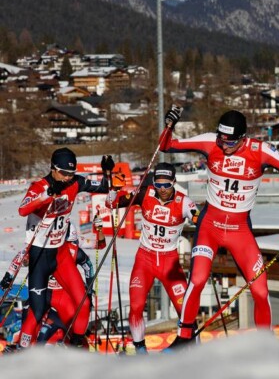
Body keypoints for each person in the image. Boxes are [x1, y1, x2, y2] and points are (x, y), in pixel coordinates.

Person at [160, 108, 279, 347]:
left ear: (242, 138)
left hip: (240, 231)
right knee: (197, 280)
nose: (224, 144)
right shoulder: (211, 142)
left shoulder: (260, 151)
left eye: (229, 140)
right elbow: (166, 146)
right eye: (221, 138)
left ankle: (264, 345)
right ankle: (183, 338)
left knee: (260, 291)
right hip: (210, 226)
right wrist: (169, 125)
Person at [16, 149, 113, 349]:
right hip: (40, 254)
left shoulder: (75, 182)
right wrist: (46, 195)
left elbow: (103, 187)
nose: (68, 178)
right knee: (38, 309)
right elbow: (22, 209)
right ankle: (21, 354)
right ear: (53, 169)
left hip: (60, 254)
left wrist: (107, 173)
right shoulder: (39, 186)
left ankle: (76, 346)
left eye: (71, 173)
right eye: (64, 173)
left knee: (83, 303)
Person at [110, 162, 197, 354]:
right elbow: (116, 202)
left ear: (174, 182)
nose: (163, 189)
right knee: (136, 306)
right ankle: (140, 349)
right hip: (145, 259)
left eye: (167, 185)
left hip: (169, 262)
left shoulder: (184, 201)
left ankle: (189, 348)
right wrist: (113, 190)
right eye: (159, 184)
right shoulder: (145, 193)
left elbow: (197, 217)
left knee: (186, 308)